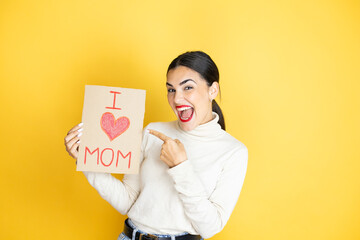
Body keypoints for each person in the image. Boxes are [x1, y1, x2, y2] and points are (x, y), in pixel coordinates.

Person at [64, 51, 248, 240]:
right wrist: (87, 161)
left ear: (213, 90)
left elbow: (210, 227)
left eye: (188, 87)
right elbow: (128, 201)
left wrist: (180, 167)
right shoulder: (152, 132)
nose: (176, 99)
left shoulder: (233, 152)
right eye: (171, 89)